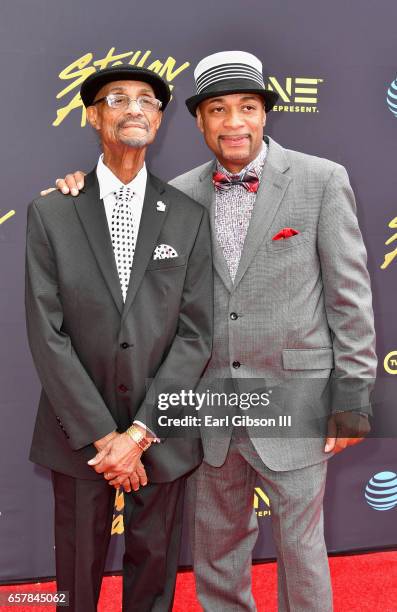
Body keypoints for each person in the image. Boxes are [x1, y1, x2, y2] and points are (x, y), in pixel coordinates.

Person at [49, 51, 377, 612]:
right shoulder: (176, 195)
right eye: (218, 110)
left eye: (247, 107)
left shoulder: (321, 181)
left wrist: (353, 397)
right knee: (217, 555)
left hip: (295, 405)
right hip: (209, 411)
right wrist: (78, 189)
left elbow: (350, 299)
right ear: (198, 122)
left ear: (266, 114)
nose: (234, 123)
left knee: (301, 554)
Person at [26, 64, 212, 612]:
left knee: (153, 580)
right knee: (75, 585)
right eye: (117, 99)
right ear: (92, 116)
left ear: (158, 120)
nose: (135, 108)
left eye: (148, 101)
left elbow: (195, 334)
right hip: (78, 434)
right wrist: (105, 437)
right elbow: (46, 329)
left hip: (159, 431)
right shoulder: (52, 212)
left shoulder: (187, 216)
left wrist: (139, 433)